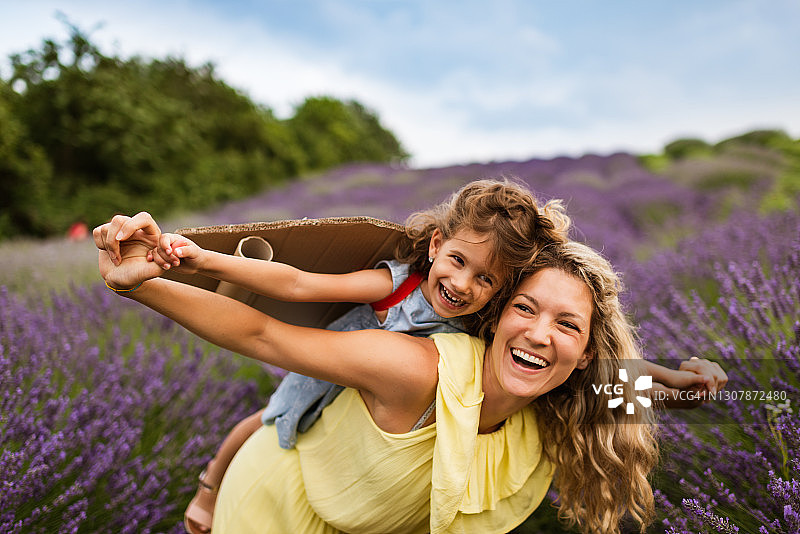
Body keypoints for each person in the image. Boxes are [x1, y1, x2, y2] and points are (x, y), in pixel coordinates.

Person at [104, 182, 724, 533]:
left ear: (586, 352)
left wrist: (691, 383)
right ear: (502, 315)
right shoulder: (415, 363)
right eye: (528, 309)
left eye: (567, 325)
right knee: (268, 416)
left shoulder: (554, 384)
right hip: (275, 512)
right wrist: (148, 282)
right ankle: (209, 488)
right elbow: (265, 330)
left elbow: (616, 385)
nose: (540, 335)